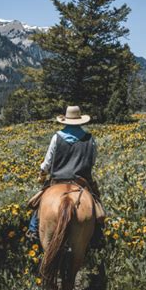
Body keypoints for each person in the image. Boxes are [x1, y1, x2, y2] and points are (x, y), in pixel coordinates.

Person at [26, 106, 105, 247]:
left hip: (58, 180)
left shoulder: (57, 137)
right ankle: (98, 233)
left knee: (39, 203)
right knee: (96, 203)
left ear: (66, 121)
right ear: (80, 121)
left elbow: (47, 163)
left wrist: (42, 173)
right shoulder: (89, 138)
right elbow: (92, 161)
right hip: (81, 181)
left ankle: (32, 230)